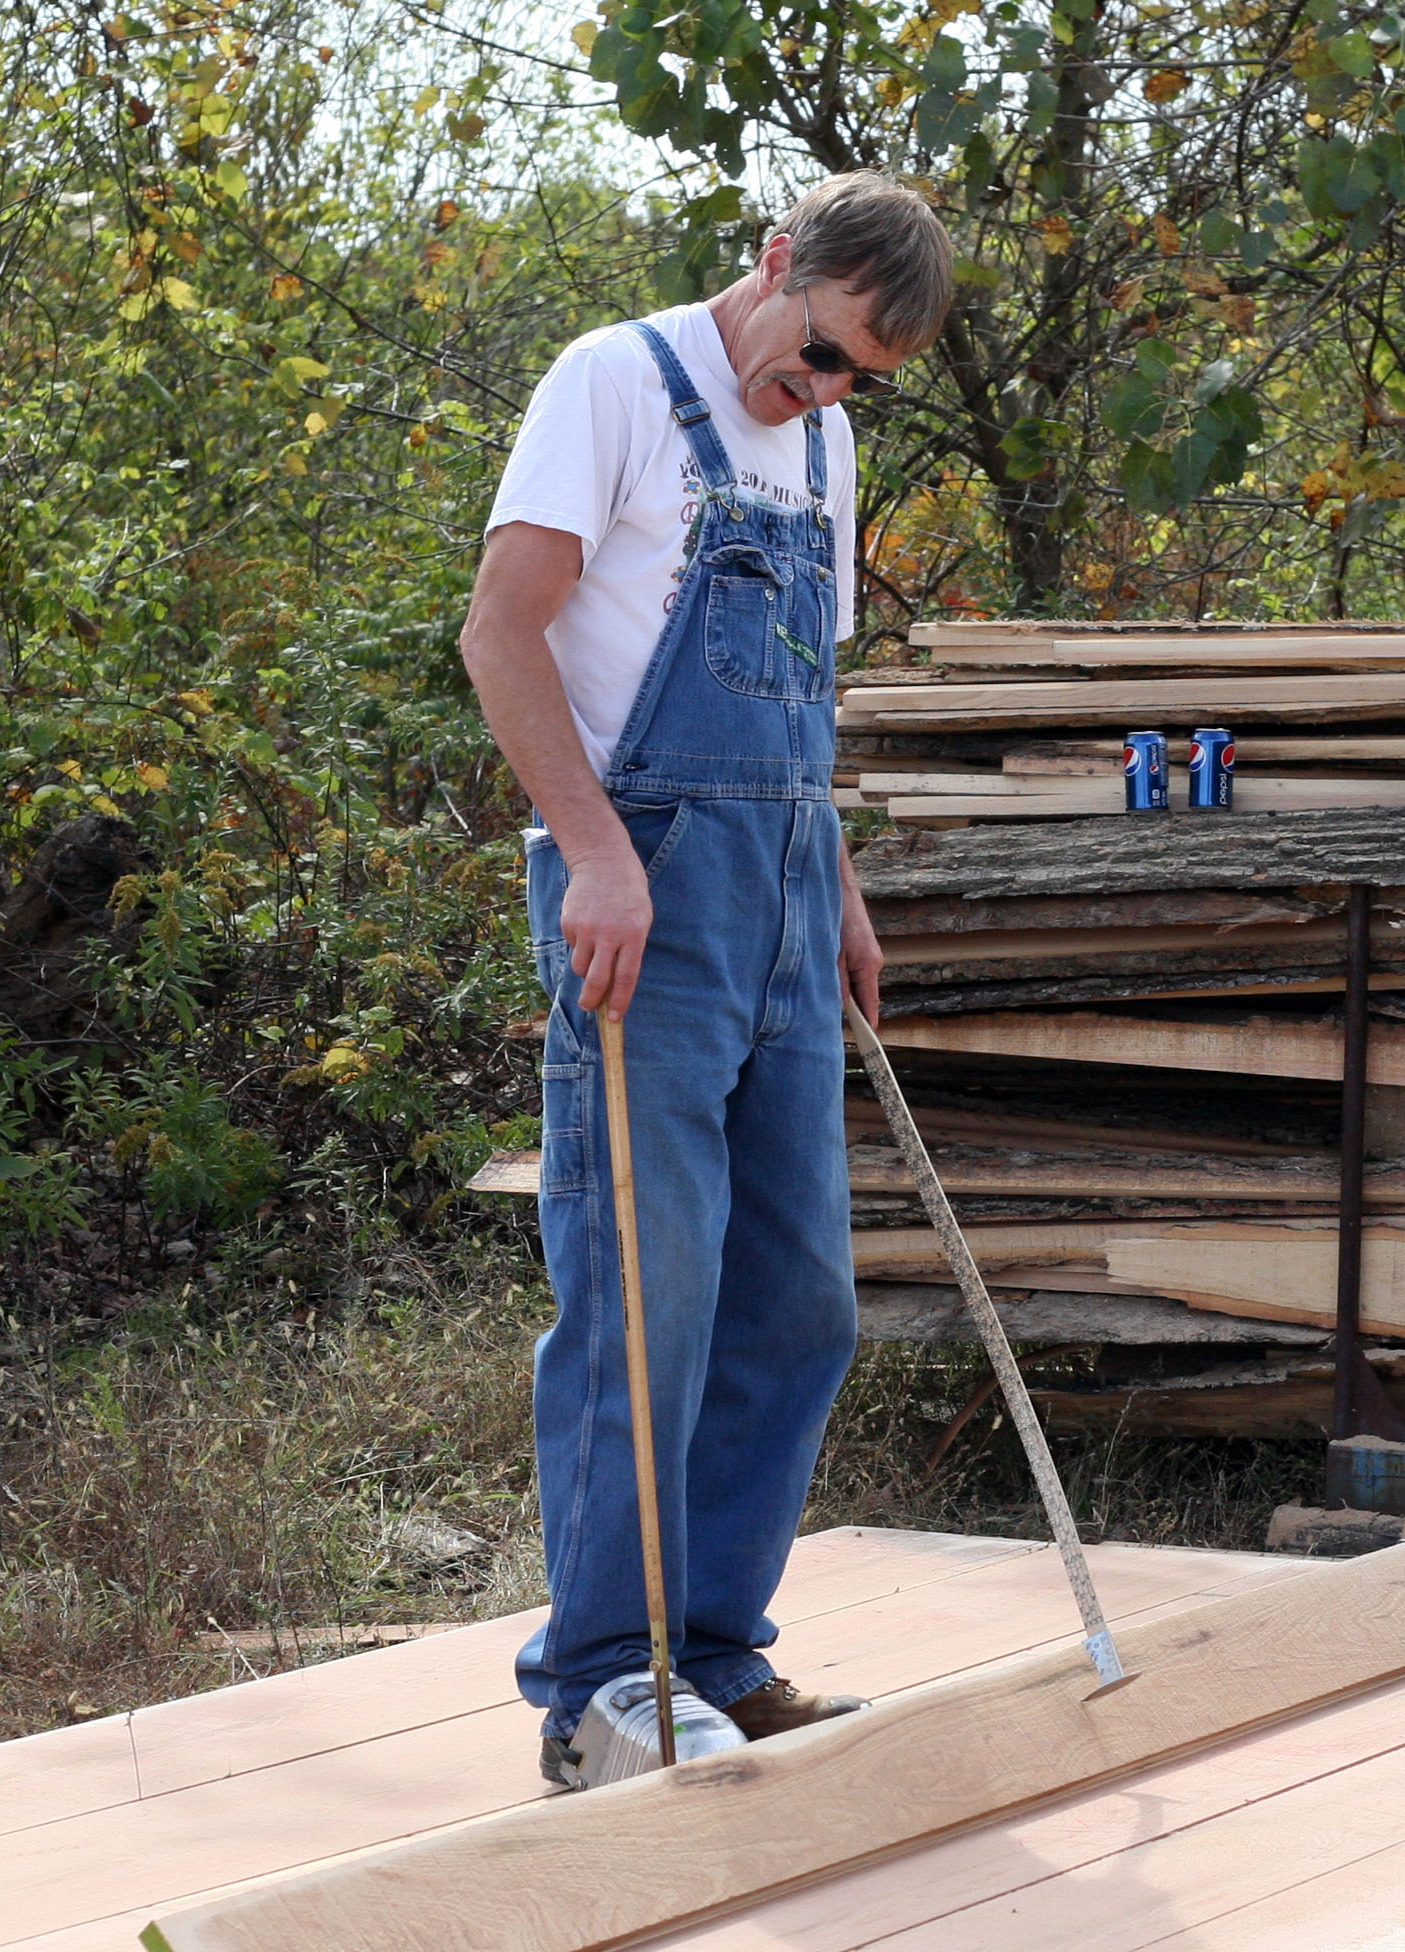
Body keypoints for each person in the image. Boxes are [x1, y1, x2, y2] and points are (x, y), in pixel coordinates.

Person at [460, 172, 956, 1787]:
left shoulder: (823, 441)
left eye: (853, 380)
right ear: (772, 264)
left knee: (797, 1297)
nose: (815, 393)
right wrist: (598, 853)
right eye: (815, 353)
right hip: (641, 893)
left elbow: (799, 689)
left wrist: (841, 888)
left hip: (790, 898)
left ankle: (719, 1658)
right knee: (641, 1294)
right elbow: (500, 633)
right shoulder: (618, 381)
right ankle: (600, 1684)